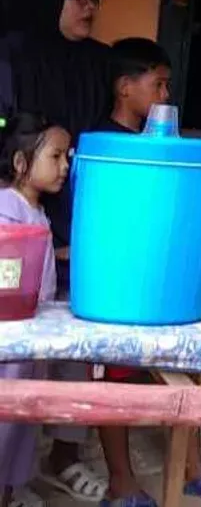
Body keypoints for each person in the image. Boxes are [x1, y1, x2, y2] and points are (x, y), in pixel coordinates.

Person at [2, 0, 110, 501]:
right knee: (18, 352)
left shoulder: (98, 61)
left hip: (80, 212)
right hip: (22, 211)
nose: (90, 6)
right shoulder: (12, 55)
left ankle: (64, 454)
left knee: (75, 336)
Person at [93, 39, 201, 507]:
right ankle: (121, 480)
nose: (166, 95)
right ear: (125, 88)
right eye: (157, 84)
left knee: (188, 365)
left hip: (162, 280)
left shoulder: (166, 146)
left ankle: (191, 466)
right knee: (113, 375)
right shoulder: (102, 144)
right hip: (117, 282)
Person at [0, 113, 68, 507]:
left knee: (22, 426)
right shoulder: (7, 207)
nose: (65, 166)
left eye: (67, 157)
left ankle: (11, 490)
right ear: (22, 164)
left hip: (30, 339)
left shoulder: (36, 210)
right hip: (9, 341)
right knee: (6, 424)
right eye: (56, 157)